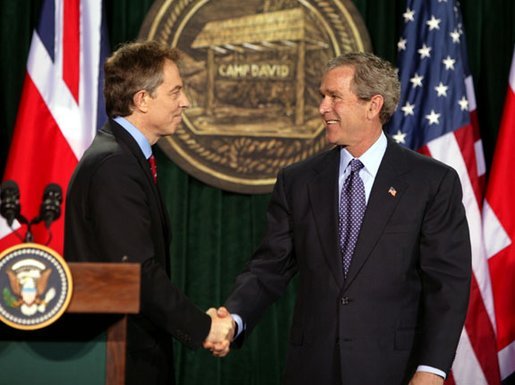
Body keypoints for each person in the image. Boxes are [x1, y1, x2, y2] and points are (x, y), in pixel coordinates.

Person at [212, 52, 471, 385]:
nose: (322, 107)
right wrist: (233, 319)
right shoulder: (298, 181)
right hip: (312, 369)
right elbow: (269, 268)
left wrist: (432, 369)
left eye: (334, 97)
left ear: (373, 105)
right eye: (322, 96)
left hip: (395, 370)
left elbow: (447, 285)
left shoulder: (431, 181)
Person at [64, 40, 234, 385]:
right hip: (117, 358)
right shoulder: (115, 165)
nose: (184, 102)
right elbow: (136, 272)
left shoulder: (122, 157)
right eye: (175, 92)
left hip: (128, 350)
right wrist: (204, 328)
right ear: (142, 100)